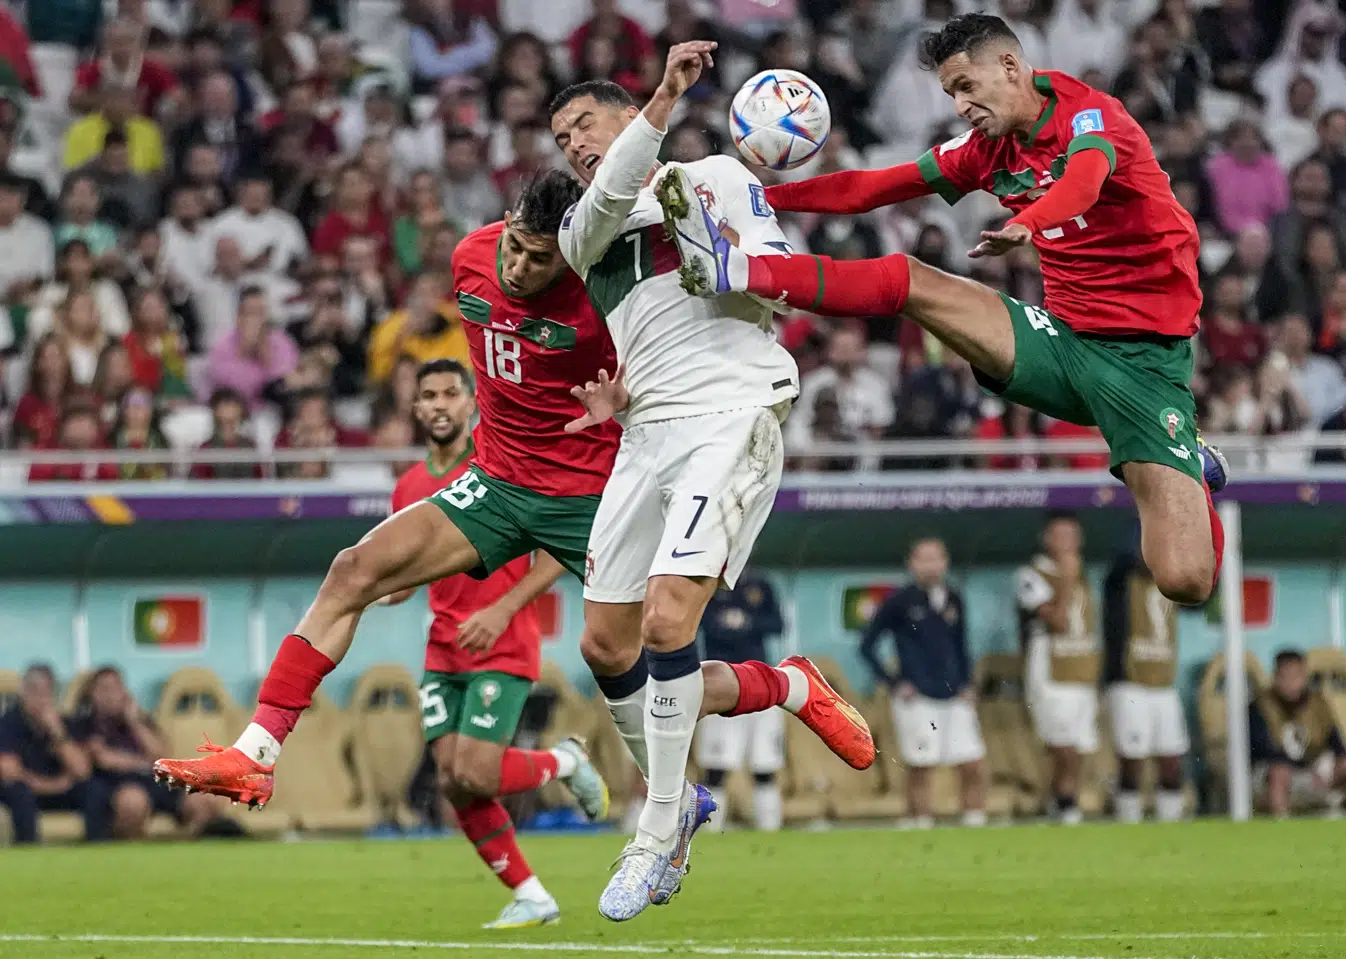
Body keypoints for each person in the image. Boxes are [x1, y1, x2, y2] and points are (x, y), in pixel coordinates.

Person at [153, 172, 868, 900]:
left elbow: (670, 383)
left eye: (543, 260)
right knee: (353, 569)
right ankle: (256, 750)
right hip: (495, 482)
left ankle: (784, 684)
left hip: (589, 496)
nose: (523, 270)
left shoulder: (602, 302)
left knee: (645, 664)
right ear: (504, 223)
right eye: (519, 250)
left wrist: (619, 400)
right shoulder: (470, 256)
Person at [664, 15, 1229, 613]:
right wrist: (759, 197)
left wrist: (1026, 223)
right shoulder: (985, 151)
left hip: (1143, 366)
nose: (960, 106)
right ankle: (737, 271)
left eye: (965, 86)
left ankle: (1190, 460)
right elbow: (870, 188)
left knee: (1183, 579)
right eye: (949, 93)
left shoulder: (1091, 116)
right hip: (1062, 342)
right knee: (913, 280)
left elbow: (1085, 182)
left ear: (1011, 67)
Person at [548, 44, 873, 921]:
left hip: (732, 411)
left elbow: (774, 284)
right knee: (608, 646)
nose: (572, 142)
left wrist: (726, 257)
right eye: (560, 135)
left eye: (584, 124)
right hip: (647, 431)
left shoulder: (721, 175)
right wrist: (661, 101)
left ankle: (657, 830)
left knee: (665, 621)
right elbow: (615, 194)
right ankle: (787, 687)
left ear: (620, 121)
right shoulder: (587, 226)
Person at [381, 358, 605, 930]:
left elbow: (562, 541)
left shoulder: (500, 462)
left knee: (476, 773)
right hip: (442, 649)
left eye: (449, 393)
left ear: (471, 400)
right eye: (426, 395)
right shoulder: (407, 487)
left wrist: (503, 606)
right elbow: (414, 564)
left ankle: (566, 760)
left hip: (503, 641)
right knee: (453, 781)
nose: (437, 404)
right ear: (415, 408)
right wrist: (392, 588)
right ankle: (532, 895)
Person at [860, 538, 987, 829]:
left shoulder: (954, 598)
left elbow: (961, 645)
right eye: (923, 559)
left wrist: (968, 683)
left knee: (971, 764)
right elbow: (866, 646)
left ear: (945, 561)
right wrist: (895, 682)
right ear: (911, 563)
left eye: (936, 558)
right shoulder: (899, 601)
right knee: (921, 765)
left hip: (955, 694)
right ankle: (920, 824)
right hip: (917, 697)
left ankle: (974, 822)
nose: (931, 566)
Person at [71, 666, 222, 839]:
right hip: (118, 784)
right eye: (104, 689)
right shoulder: (85, 724)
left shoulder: (139, 720)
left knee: (203, 800)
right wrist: (143, 762)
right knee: (134, 802)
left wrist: (134, 722)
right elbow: (104, 760)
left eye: (116, 688)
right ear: (93, 695)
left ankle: (188, 853)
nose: (111, 695)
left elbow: (161, 755)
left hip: (156, 781)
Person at [1016, 512, 1099, 825]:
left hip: (1081, 667)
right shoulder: (1031, 574)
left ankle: (1064, 804)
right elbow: (1058, 620)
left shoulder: (1083, 575)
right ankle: (1063, 805)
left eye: (1072, 536)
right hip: (1050, 668)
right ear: (1046, 539)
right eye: (1059, 535)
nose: (1067, 543)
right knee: (1060, 744)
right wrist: (1066, 579)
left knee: (1078, 745)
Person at [694, 570, 787, 833]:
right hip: (719, 684)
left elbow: (776, 625)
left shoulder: (762, 585)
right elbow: (703, 625)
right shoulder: (708, 585)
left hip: (761, 683)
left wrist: (743, 623)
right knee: (716, 766)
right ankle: (709, 831)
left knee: (765, 764)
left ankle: (770, 828)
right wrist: (732, 627)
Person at [1102, 544, 1188, 823]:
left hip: (1164, 683)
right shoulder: (1120, 585)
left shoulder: (1170, 585)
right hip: (1130, 684)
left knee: (1172, 761)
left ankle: (1171, 827)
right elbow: (1119, 569)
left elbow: (1202, 594)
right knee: (1132, 760)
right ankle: (1128, 823)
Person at [1249, 650, 1346, 817]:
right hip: (1277, 771)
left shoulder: (1318, 703)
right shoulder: (1260, 706)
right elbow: (1264, 751)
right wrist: (1307, 770)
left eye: (1297, 676)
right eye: (1286, 676)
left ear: (1304, 676)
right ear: (1276, 677)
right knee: (1279, 773)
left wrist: (1340, 760)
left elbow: (1334, 740)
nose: (1292, 682)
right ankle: (1281, 829)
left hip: (1316, 766)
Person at [0, 665, 108, 844]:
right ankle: (28, 852)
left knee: (95, 790)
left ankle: (96, 850)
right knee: (19, 792)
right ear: (23, 693)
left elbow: (82, 771)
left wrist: (57, 732)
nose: (40, 699)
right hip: (28, 788)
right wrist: (49, 785)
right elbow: (8, 771)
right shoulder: (8, 723)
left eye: (46, 692)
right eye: (34, 691)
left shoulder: (65, 724)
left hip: (61, 788)